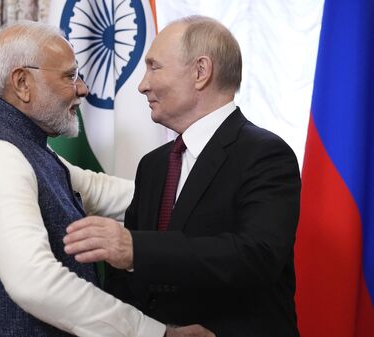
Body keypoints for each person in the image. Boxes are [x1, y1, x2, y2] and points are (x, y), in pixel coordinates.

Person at [0, 20, 214, 337]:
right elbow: (34, 282)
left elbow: (100, 191)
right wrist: (155, 333)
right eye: (69, 76)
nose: (82, 89)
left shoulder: (20, 146)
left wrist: (212, 198)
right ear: (22, 83)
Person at [63, 15, 301, 337]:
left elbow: (256, 256)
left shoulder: (265, 154)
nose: (142, 84)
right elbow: (125, 280)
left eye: (154, 67)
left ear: (201, 72)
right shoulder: (153, 165)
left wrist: (136, 249)